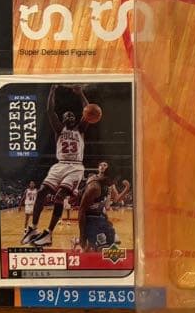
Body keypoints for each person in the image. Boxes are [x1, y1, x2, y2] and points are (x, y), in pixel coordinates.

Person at [24, 85, 90, 248]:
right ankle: (33, 228)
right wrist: (52, 90)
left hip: (75, 167)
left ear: (75, 119)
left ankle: (48, 233)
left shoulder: (80, 129)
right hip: (59, 165)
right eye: (67, 115)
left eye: (72, 115)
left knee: (59, 196)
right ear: (62, 119)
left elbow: (88, 111)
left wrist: (81, 93)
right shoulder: (59, 129)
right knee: (41, 192)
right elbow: (50, 110)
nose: (70, 116)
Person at [77, 162, 129, 251]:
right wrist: (82, 235)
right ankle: (81, 242)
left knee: (112, 241)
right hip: (91, 219)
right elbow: (81, 210)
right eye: (115, 180)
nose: (115, 183)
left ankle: (87, 245)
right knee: (102, 246)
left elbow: (116, 200)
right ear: (108, 177)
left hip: (100, 216)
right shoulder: (94, 187)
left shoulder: (107, 184)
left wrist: (127, 189)